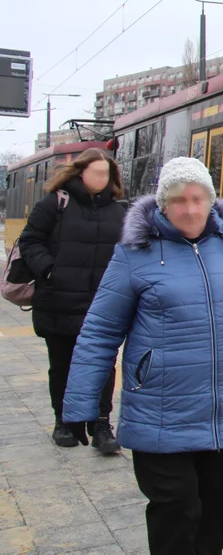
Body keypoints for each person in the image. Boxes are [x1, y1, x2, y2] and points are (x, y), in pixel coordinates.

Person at [63, 156, 223, 555]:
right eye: (179, 199)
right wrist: (80, 402)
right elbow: (99, 333)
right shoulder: (135, 254)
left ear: (212, 201)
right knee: (177, 511)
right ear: (163, 204)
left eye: (198, 198)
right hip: (161, 413)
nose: (190, 209)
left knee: (216, 511)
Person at [17, 147, 126, 454]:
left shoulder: (119, 211)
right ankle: (63, 422)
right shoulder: (55, 204)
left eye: (107, 174)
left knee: (104, 365)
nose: (102, 179)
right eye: (97, 173)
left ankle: (101, 425)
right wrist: (49, 270)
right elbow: (29, 240)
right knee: (62, 364)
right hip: (59, 300)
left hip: (101, 305)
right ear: (81, 173)